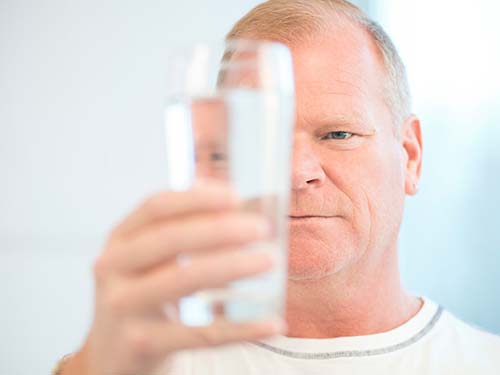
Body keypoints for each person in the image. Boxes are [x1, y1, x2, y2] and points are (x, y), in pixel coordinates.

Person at [55, 1, 500, 374]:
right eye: (263, 139)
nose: (294, 172)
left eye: (337, 135)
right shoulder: (143, 364)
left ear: (411, 157)